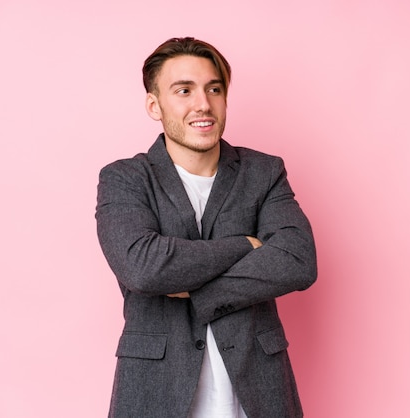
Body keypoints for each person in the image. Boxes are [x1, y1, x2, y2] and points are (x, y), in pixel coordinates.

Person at [95, 37, 317, 418]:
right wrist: (246, 245)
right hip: (155, 391)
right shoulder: (125, 179)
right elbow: (144, 268)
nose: (203, 104)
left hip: (259, 392)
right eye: (184, 90)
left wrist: (198, 292)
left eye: (214, 89)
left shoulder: (263, 172)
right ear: (154, 104)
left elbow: (297, 260)